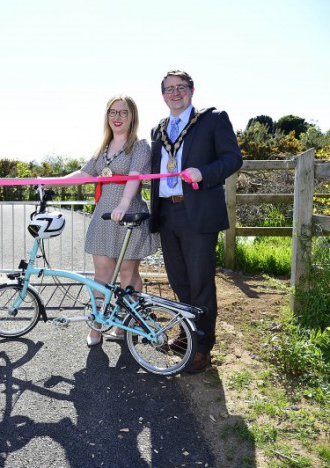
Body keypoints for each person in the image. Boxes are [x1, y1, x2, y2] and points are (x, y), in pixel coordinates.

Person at [44, 95, 159, 347]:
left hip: (127, 215)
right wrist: (53, 181)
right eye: (112, 112)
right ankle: (97, 325)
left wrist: (124, 204)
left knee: (128, 273)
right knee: (102, 274)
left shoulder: (139, 147)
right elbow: (83, 174)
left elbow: (135, 177)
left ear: (132, 117)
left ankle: (126, 324)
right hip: (104, 217)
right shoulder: (103, 149)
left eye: (123, 113)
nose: (117, 117)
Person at [150, 70, 243, 373]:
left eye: (180, 88)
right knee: (179, 280)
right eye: (169, 89)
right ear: (162, 94)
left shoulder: (212, 120)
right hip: (167, 212)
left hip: (199, 212)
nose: (175, 93)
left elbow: (233, 159)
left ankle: (203, 347)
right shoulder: (158, 130)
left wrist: (204, 173)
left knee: (200, 280)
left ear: (192, 90)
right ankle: (187, 333)